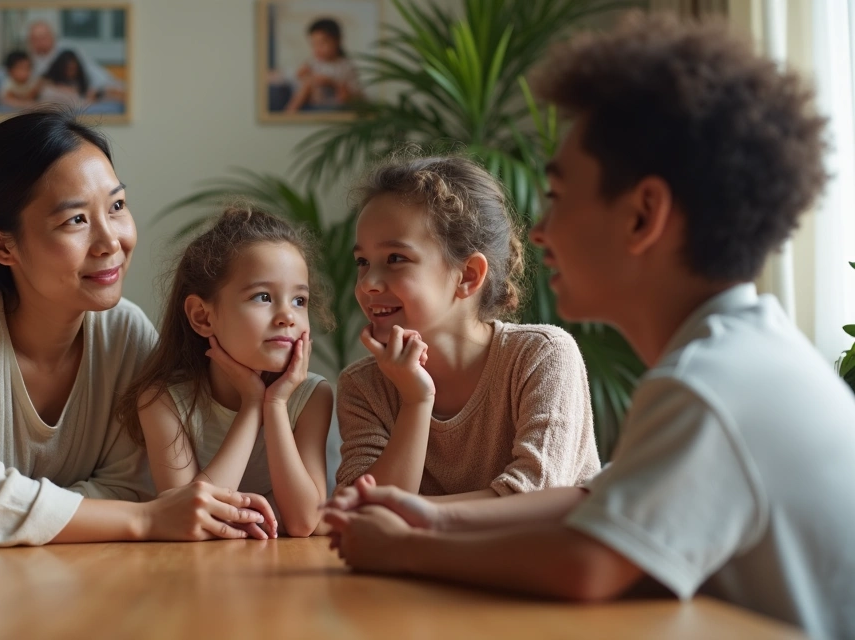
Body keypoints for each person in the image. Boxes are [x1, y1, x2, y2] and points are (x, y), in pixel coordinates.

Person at [323, 14, 855, 639]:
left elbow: (589, 566)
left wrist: (404, 548)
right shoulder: (741, 354)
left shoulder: (708, 384)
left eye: (558, 195)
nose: (538, 232)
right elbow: (593, 504)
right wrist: (431, 520)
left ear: (642, 216)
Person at [0, 108, 277, 546]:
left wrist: (19, 514)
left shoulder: (125, 333)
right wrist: (142, 521)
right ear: (0, 243)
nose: (111, 241)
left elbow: (132, 485)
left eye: (116, 207)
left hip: (50, 581)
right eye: (75, 220)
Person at [337, 154, 598, 502]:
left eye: (395, 259)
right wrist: (416, 401)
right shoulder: (363, 386)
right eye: (362, 262)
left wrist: (410, 515)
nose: (368, 283)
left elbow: (532, 501)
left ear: (468, 276)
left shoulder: (542, 357)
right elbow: (360, 509)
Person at [120, 208, 334, 538]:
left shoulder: (312, 396)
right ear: (202, 317)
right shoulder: (162, 401)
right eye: (263, 297)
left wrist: (274, 406)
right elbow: (190, 519)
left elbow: (304, 522)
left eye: (299, 300)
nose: (287, 316)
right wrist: (251, 405)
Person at [26, 20, 124, 102]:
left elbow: (94, 74)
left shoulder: (69, 51)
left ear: (52, 36)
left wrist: (105, 89)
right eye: (35, 39)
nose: (39, 43)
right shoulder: (27, 58)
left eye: (43, 38)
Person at [285, 17, 362, 113]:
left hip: (336, 99)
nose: (317, 49)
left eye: (322, 43)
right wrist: (305, 75)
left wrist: (331, 82)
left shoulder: (346, 66)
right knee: (307, 84)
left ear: (337, 41)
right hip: (315, 97)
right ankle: (289, 112)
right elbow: (299, 75)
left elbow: (356, 92)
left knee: (344, 90)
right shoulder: (313, 62)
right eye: (314, 44)